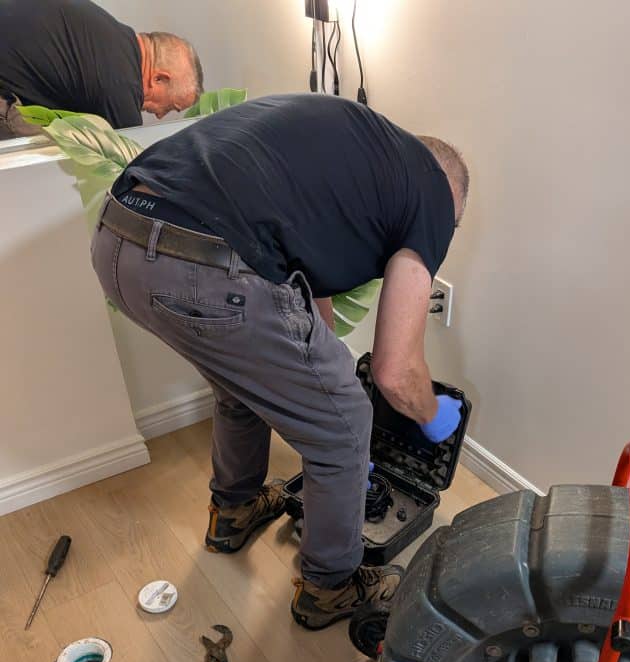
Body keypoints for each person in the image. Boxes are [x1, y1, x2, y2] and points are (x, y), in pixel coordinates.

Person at [90, 93, 469, 630]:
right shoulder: (433, 196)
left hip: (118, 239)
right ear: (452, 204)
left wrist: (319, 368)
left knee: (244, 381)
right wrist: (432, 416)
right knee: (345, 426)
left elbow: (302, 287)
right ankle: (329, 588)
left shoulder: (359, 149)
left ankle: (235, 510)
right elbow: (394, 371)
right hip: (198, 259)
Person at [0, 0, 202, 139]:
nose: (159, 115)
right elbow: (127, 166)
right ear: (159, 79)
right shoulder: (122, 85)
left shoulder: (111, 35)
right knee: (57, 158)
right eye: (168, 108)